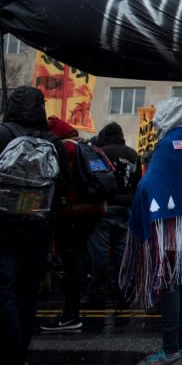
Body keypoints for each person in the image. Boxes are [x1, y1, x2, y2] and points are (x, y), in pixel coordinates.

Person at [120, 97, 182, 365]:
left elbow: (148, 183)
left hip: (169, 225)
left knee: (169, 282)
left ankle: (171, 350)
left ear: (167, 116)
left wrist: (140, 200)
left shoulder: (168, 145)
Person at [0, 87, 67, 365]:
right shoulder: (54, 141)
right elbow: (63, 188)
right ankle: (22, 350)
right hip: (38, 229)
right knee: (28, 292)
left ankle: (9, 350)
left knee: (5, 290)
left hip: (2, 226)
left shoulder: (2, 134)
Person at [40, 116, 105, 332]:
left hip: (72, 213)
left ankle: (70, 315)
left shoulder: (65, 149)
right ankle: (73, 312)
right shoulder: (88, 146)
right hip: (93, 210)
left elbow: (61, 182)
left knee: (70, 263)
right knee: (77, 259)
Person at [83, 122, 142, 307]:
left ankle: (97, 292)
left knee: (99, 253)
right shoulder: (133, 154)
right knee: (121, 253)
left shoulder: (101, 152)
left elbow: (94, 179)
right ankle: (123, 290)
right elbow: (137, 183)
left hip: (105, 208)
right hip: (126, 209)